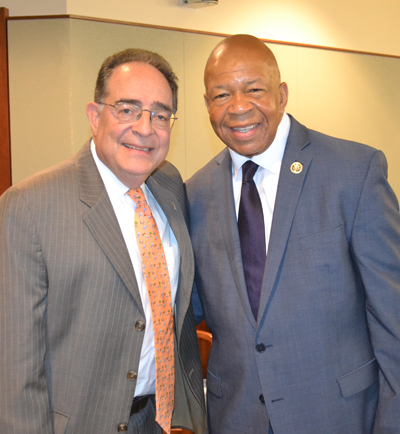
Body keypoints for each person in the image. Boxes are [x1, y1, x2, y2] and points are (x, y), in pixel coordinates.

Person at [185, 34, 400, 434]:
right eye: (221, 95)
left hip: (339, 416)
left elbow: (394, 316)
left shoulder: (354, 172)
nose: (238, 108)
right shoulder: (194, 194)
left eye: (254, 90)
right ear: (207, 105)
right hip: (236, 418)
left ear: (281, 95)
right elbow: (187, 316)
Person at [0, 48, 206, 434]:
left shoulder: (169, 186)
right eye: (127, 109)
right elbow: (13, 365)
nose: (145, 128)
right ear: (95, 117)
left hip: (160, 421)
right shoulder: (29, 205)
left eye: (160, 115)